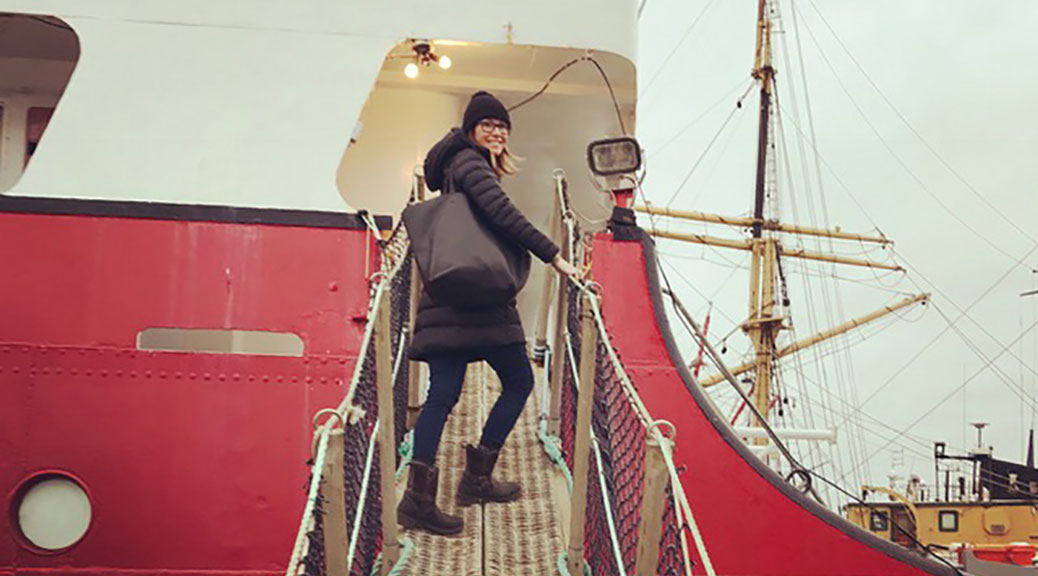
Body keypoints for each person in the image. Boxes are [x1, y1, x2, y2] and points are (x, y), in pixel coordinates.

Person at [398, 91, 581, 535]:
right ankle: (462, 484)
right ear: (470, 129)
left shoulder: (456, 166)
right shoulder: (470, 163)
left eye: (503, 126)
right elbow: (502, 214)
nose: (497, 131)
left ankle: (428, 497)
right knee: (518, 382)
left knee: (444, 393)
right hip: (477, 302)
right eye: (488, 124)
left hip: (453, 299)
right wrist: (554, 255)